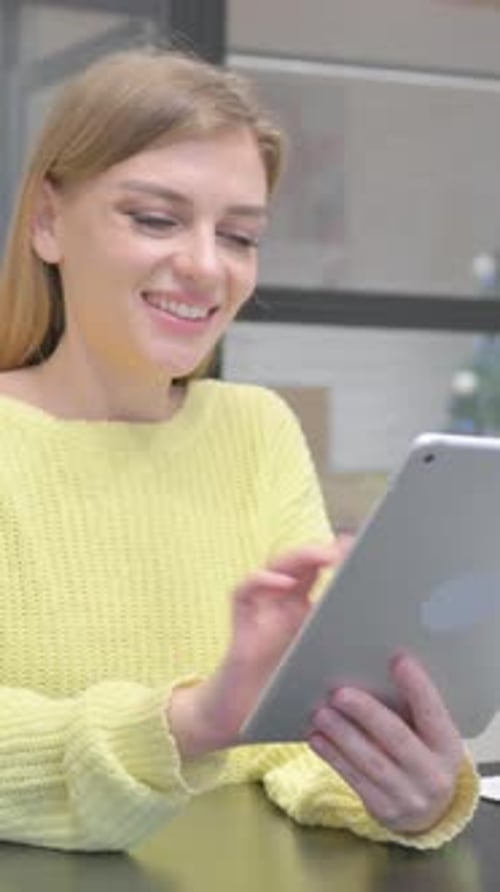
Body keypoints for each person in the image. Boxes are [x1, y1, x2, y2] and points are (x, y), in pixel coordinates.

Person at [0, 47, 478, 853]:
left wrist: (402, 789)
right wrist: (190, 723)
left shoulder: (255, 430)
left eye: (240, 235)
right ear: (48, 221)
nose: (204, 267)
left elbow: (295, 738)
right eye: (155, 218)